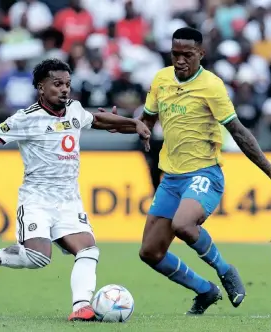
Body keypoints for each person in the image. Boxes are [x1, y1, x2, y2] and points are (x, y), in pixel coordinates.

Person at [0, 59, 151, 321]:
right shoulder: (25, 119)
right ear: (41, 88)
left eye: (68, 84)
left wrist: (133, 124)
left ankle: (81, 307)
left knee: (88, 250)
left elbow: (97, 119)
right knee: (38, 258)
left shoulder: (74, 110)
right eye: (57, 84)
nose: (65, 90)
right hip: (36, 200)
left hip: (68, 201)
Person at [107, 27, 271, 315]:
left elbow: (238, 131)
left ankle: (225, 270)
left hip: (205, 173)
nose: (180, 60)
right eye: (175, 54)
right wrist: (120, 123)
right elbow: (145, 119)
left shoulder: (212, 85)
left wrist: (268, 169)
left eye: (187, 55)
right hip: (171, 178)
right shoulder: (160, 79)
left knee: (184, 225)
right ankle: (205, 290)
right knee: (150, 252)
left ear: (201, 54)